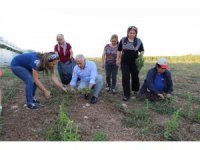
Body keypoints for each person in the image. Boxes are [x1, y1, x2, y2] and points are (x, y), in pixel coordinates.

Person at [117, 26, 144, 101]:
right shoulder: (123, 40)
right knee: (125, 78)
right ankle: (126, 94)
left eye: (133, 33)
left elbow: (142, 50)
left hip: (135, 63)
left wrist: (141, 56)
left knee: (135, 76)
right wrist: (118, 59)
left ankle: (135, 90)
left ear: (136, 34)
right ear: (128, 33)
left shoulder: (138, 41)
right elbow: (119, 50)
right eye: (130, 33)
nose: (132, 34)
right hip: (124, 62)